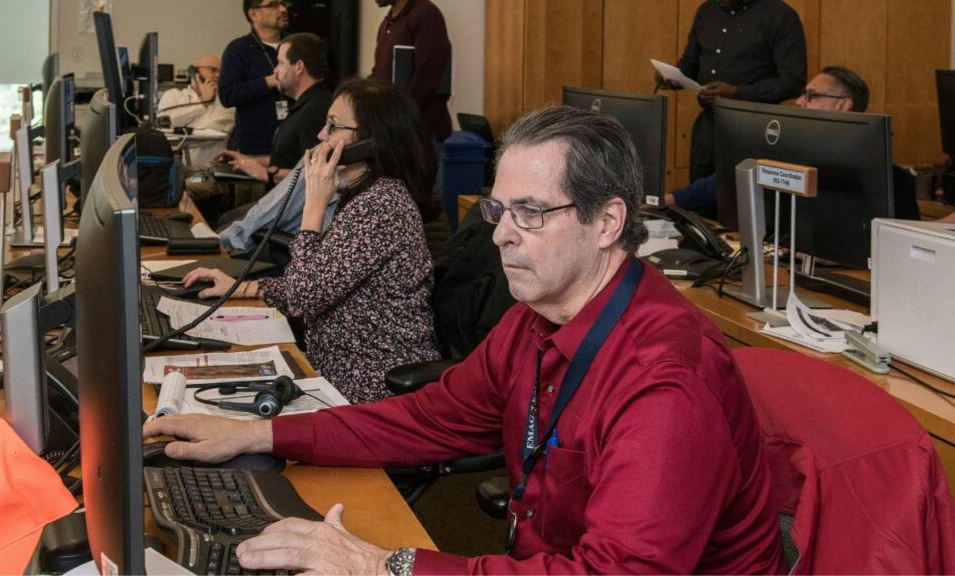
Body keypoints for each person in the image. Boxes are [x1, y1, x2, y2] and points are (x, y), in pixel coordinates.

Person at [146, 105, 786, 574]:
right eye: (497, 210)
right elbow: (429, 418)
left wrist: (382, 567)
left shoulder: (667, 379)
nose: (502, 235)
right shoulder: (536, 321)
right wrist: (259, 435)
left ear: (607, 222)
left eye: (530, 213)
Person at [183, 79, 440, 404]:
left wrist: (314, 205)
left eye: (333, 126)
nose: (321, 135)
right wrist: (240, 287)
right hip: (334, 373)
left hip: (371, 388)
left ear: (371, 141)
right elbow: (315, 280)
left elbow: (304, 295)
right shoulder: (361, 196)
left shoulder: (381, 205)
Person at [667, 65, 921, 221]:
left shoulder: (890, 179)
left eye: (812, 96)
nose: (800, 102)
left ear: (844, 104)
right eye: (802, 94)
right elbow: (730, 179)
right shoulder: (790, 153)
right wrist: (669, 200)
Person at [661, 0, 807, 182]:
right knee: (697, 201)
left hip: (754, 129)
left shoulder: (780, 16)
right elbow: (690, 63)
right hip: (708, 126)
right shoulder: (707, 10)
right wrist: (674, 77)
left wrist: (738, 93)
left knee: (741, 198)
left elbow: (793, 81)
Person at [216, 32, 335, 227]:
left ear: (298, 67)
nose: (276, 72)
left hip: (295, 215)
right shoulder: (304, 105)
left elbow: (317, 177)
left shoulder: (316, 110)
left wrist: (267, 173)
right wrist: (249, 160)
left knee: (225, 225)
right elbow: (291, 159)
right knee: (226, 220)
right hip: (285, 205)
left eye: (280, 63)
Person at [371, 0, 453, 143]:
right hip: (394, 131)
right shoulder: (387, 24)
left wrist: (398, 115)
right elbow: (379, 73)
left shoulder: (426, 14)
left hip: (420, 135)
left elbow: (428, 76)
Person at [220, 0, 289, 156]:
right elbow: (227, 95)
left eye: (284, 4)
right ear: (253, 14)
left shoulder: (297, 45)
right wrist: (268, 82)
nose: (283, 9)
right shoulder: (238, 49)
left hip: (295, 144)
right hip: (255, 147)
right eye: (273, 5)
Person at [156, 55, 235, 169]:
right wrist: (202, 102)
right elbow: (166, 124)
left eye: (221, 72)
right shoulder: (173, 95)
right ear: (194, 72)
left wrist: (182, 132)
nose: (218, 75)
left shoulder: (226, 102)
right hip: (174, 170)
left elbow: (217, 131)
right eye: (212, 70)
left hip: (210, 169)